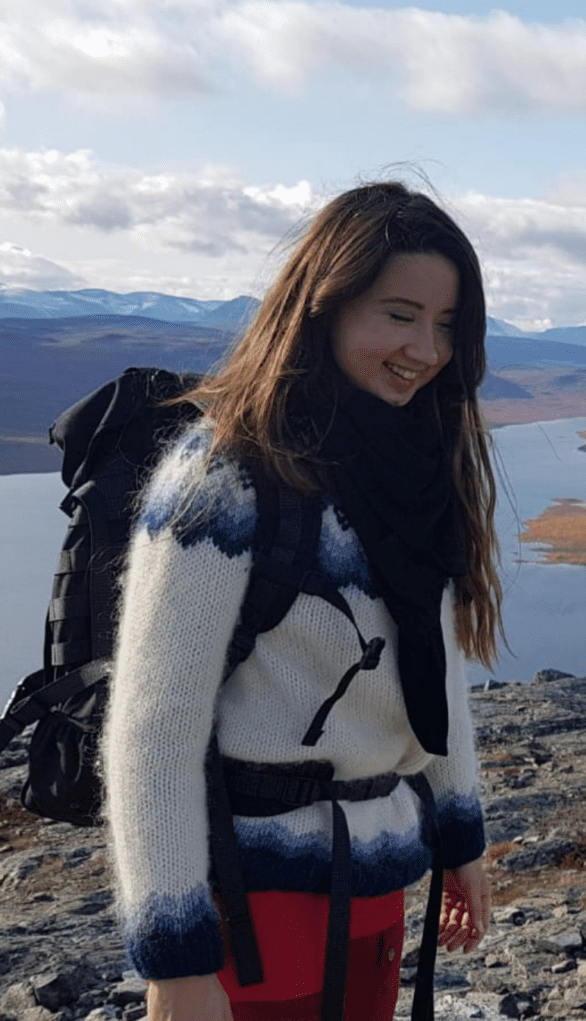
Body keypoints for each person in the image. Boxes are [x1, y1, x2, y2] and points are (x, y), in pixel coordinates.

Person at [103, 180, 503, 1021]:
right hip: (253, 902)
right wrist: (176, 958)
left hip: (377, 877)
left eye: (445, 325)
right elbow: (154, 729)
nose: (425, 350)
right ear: (323, 307)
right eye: (398, 314)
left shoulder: (415, 468)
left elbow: (432, 672)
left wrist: (458, 834)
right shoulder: (223, 476)